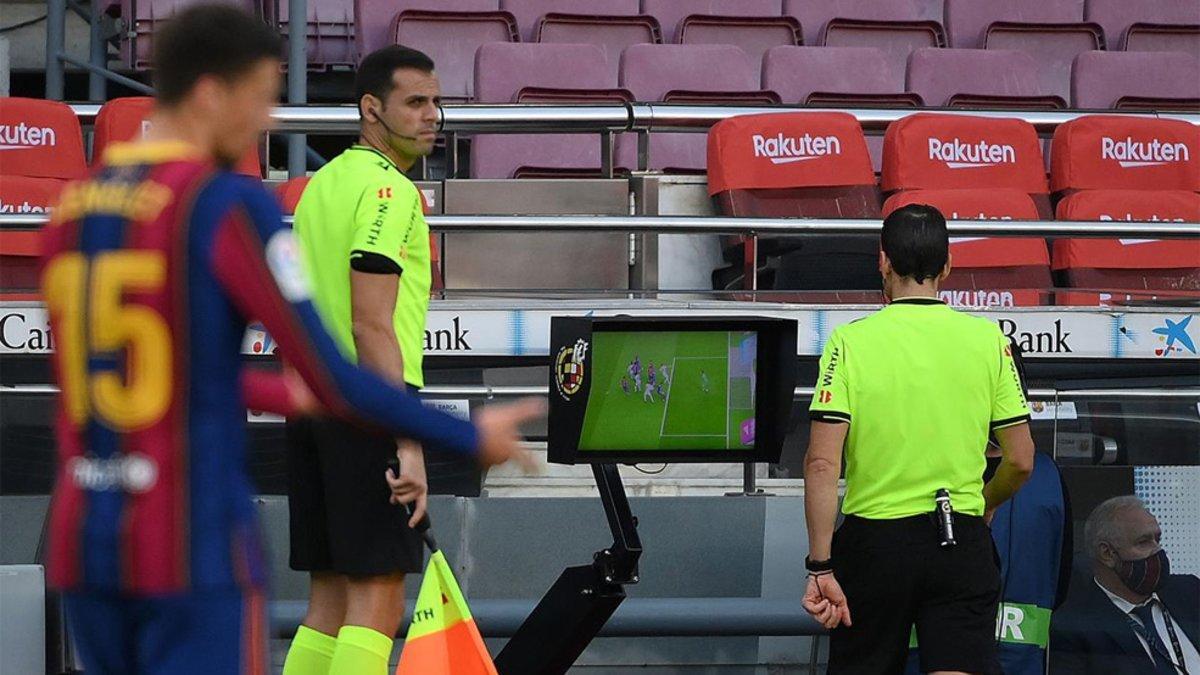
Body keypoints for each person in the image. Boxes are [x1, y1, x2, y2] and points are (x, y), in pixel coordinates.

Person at [39, 6, 541, 675]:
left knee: (328, 601)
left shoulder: (75, 205)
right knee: (373, 600)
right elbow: (345, 356)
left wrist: (282, 394)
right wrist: (463, 436)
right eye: (260, 99)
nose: (267, 123)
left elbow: (156, 361)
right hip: (187, 539)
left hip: (83, 536)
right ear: (215, 94)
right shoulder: (226, 204)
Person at [802, 204, 1035, 675]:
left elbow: (822, 465)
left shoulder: (849, 342)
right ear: (947, 266)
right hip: (959, 539)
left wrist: (820, 566)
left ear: (883, 261)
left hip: (875, 546)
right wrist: (983, 505)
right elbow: (1021, 460)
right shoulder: (989, 340)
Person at [283, 45, 444, 675]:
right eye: (416, 102)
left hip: (312, 406)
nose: (433, 115)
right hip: (366, 409)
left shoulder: (322, 185)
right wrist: (409, 440)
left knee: (328, 601)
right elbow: (370, 320)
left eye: (436, 101)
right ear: (370, 109)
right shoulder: (388, 189)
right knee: (377, 599)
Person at [1050, 496, 1199, 675]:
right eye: (1143, 542)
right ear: (1107, 553)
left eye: (1157, 539)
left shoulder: (1190, 591)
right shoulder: (1072, 627)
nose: (1157, 550)